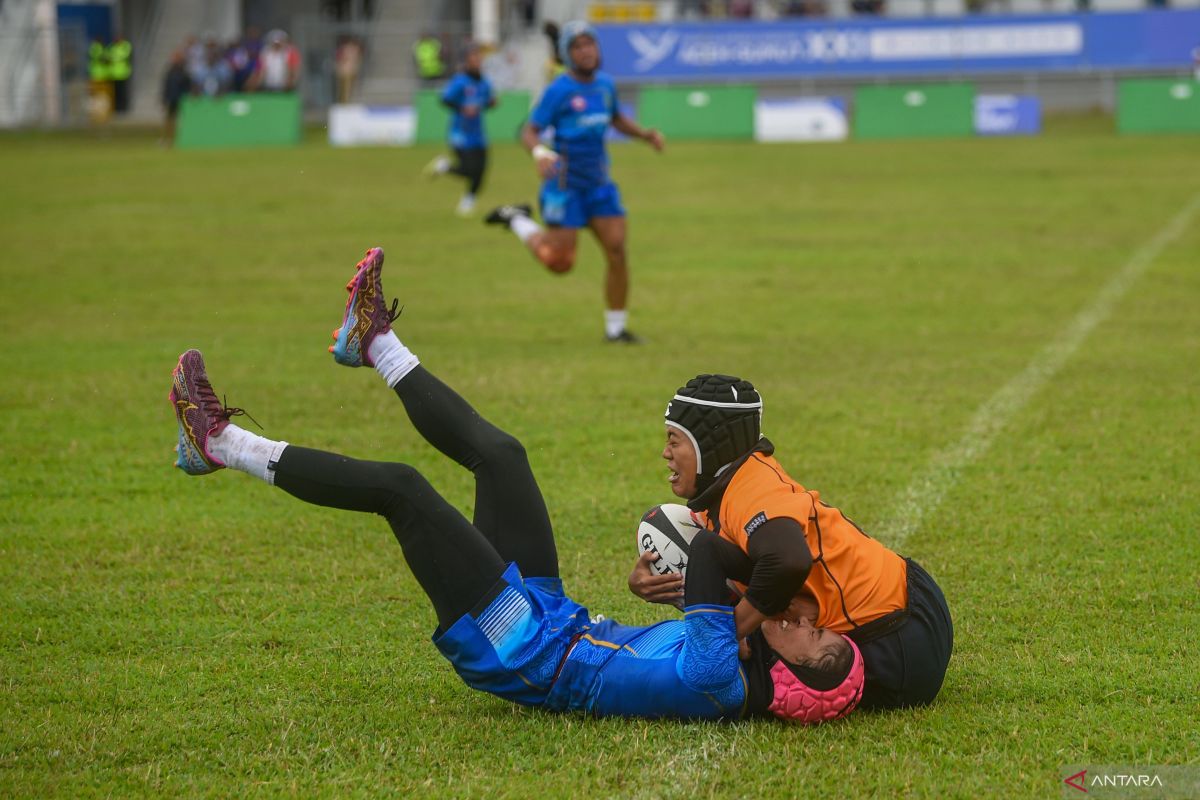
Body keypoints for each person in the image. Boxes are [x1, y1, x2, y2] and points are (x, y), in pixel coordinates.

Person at [167, 247, 865, 724]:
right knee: (503, 456)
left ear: (792, 681)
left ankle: (222, 444)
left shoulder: (722, 674)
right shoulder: (733, 654)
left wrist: (754, 589)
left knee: (403, 491)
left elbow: (710, 554)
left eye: (814, 644)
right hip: (560, 621)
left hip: (527, 652)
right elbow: (708, 573)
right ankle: (372, 341)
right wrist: (744, 597)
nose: (807, 625)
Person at [628, 374, 954, 710]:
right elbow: (715, 564)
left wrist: (730, 633)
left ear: (708, 445)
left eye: (674, 440)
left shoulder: (752, 489)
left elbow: (788, 560)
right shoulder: (729, 488)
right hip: (907, 600)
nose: (665, 453)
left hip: (898, 643)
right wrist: (651, 582)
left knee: (734, 674)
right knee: (693, 543)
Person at [484, 22, 664, 344]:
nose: (586, 51)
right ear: (568, 54)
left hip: (598, 184)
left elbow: (616, 118)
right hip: (564, 187)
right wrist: (539, 151)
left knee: (617, 251)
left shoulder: (605, 84)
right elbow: (528, 130)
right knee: (560, 263)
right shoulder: (559, 90)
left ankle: (616, 330)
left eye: (590, 44)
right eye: (578, 46)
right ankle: (518, 220)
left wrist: (645, 135)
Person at [423, 42, 496, 217]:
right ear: (467, 60)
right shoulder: (460, 81)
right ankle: (445, 166)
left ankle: (468, 200)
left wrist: (490, 103)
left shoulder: (484, 82)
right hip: (460, 133)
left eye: (479, 57)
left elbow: (487, 101)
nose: (478, 60)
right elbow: (445, 99)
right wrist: (462, 108)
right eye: (474, 57)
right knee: (469, 169)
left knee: (482, 170)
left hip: (478, 133)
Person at [161, 49, 191, 145]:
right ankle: (167, 139)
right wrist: (164, 98)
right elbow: (166, 85)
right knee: (169, 120)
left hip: (180, 99)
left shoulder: (183, 71)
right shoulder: (170, 71)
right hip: (171, 98)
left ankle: (178, 139)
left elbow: (187, 85)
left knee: (180, 120)